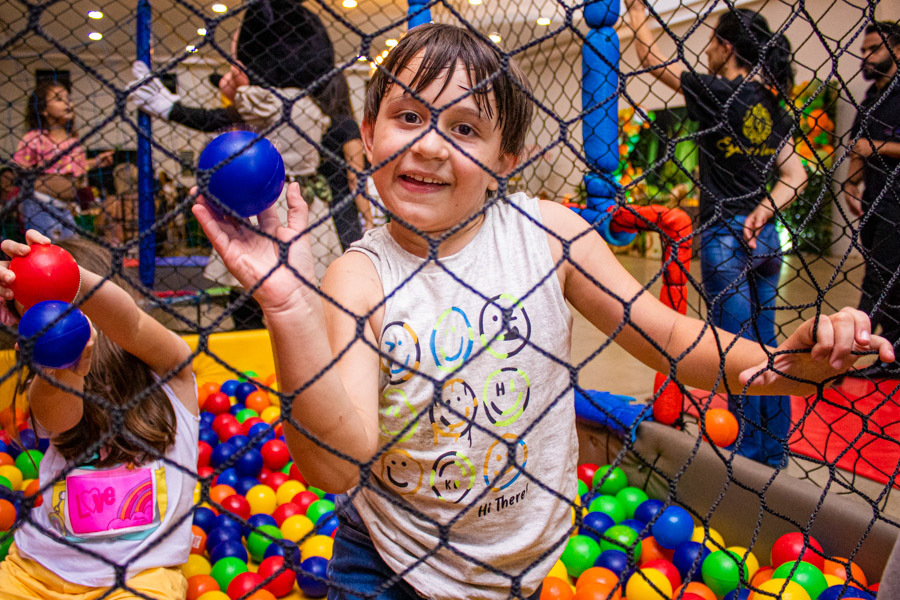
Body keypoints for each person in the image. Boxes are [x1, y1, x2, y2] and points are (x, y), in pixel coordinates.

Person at [192, 23, 891, 600]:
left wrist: (782, 365)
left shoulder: (548, 235)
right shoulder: (357, 275)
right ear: (370, 134)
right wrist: (286, 303)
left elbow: (671, 338)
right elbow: (335, 467)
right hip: (390, 566)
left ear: (508, 159)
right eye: (409, 116)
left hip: (523, 563)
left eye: (464, 128)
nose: (431, 143)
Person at [625, 4, 808, 467]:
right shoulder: (771, 102)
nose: (706, 50)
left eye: (711, 41)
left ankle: (748, 457)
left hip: (725, 237)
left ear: (727, 47)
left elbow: (649, 55)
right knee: (771, 348)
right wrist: (764, 210)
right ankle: (774, 452)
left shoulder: (719, 91)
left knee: (737, 351)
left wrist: (635, 10)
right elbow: (796, 174)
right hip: (764, 238)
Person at [0, 232, 198, 599]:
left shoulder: (172, 372)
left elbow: (129, 324)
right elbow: (59, 419)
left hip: (141, 578)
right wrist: (62, 369)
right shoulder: (49, 378)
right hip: (35, 571)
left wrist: (59, 277)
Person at [129, 0, 335, 329]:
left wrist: (170, 107)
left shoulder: (265, 100)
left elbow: (220, 119)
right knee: (300, 289)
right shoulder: (306, 101)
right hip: (304, 203)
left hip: (267, 204)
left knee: (250, 290)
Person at [844, 20, 900, 378]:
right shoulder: (870, 99)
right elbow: (856, 148)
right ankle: (885, 350)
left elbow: (868, 146)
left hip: (898, 203)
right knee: (880, 276)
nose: (865, 56)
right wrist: (851, 184)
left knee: (881, 280)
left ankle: (863, 348)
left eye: (874, 48)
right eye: (863, 50)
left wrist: (875, 147)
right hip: (875, 201)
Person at [13, 80, 113, 241]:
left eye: (69, 99)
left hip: (64, 205)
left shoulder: (72, 141)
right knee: (47, 244)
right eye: (59, 99)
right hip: (40, 202)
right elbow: (20, 166)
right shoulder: (36, 138)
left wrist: (96, 162)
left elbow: (74, 167)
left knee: (70, 244)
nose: (68, 103)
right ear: (44, 110)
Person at [311, 73, 375, 250]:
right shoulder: (346, 125)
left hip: (317, 201)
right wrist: (368, 218)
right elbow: (355, 178)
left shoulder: (316, 124)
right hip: (342, 207)